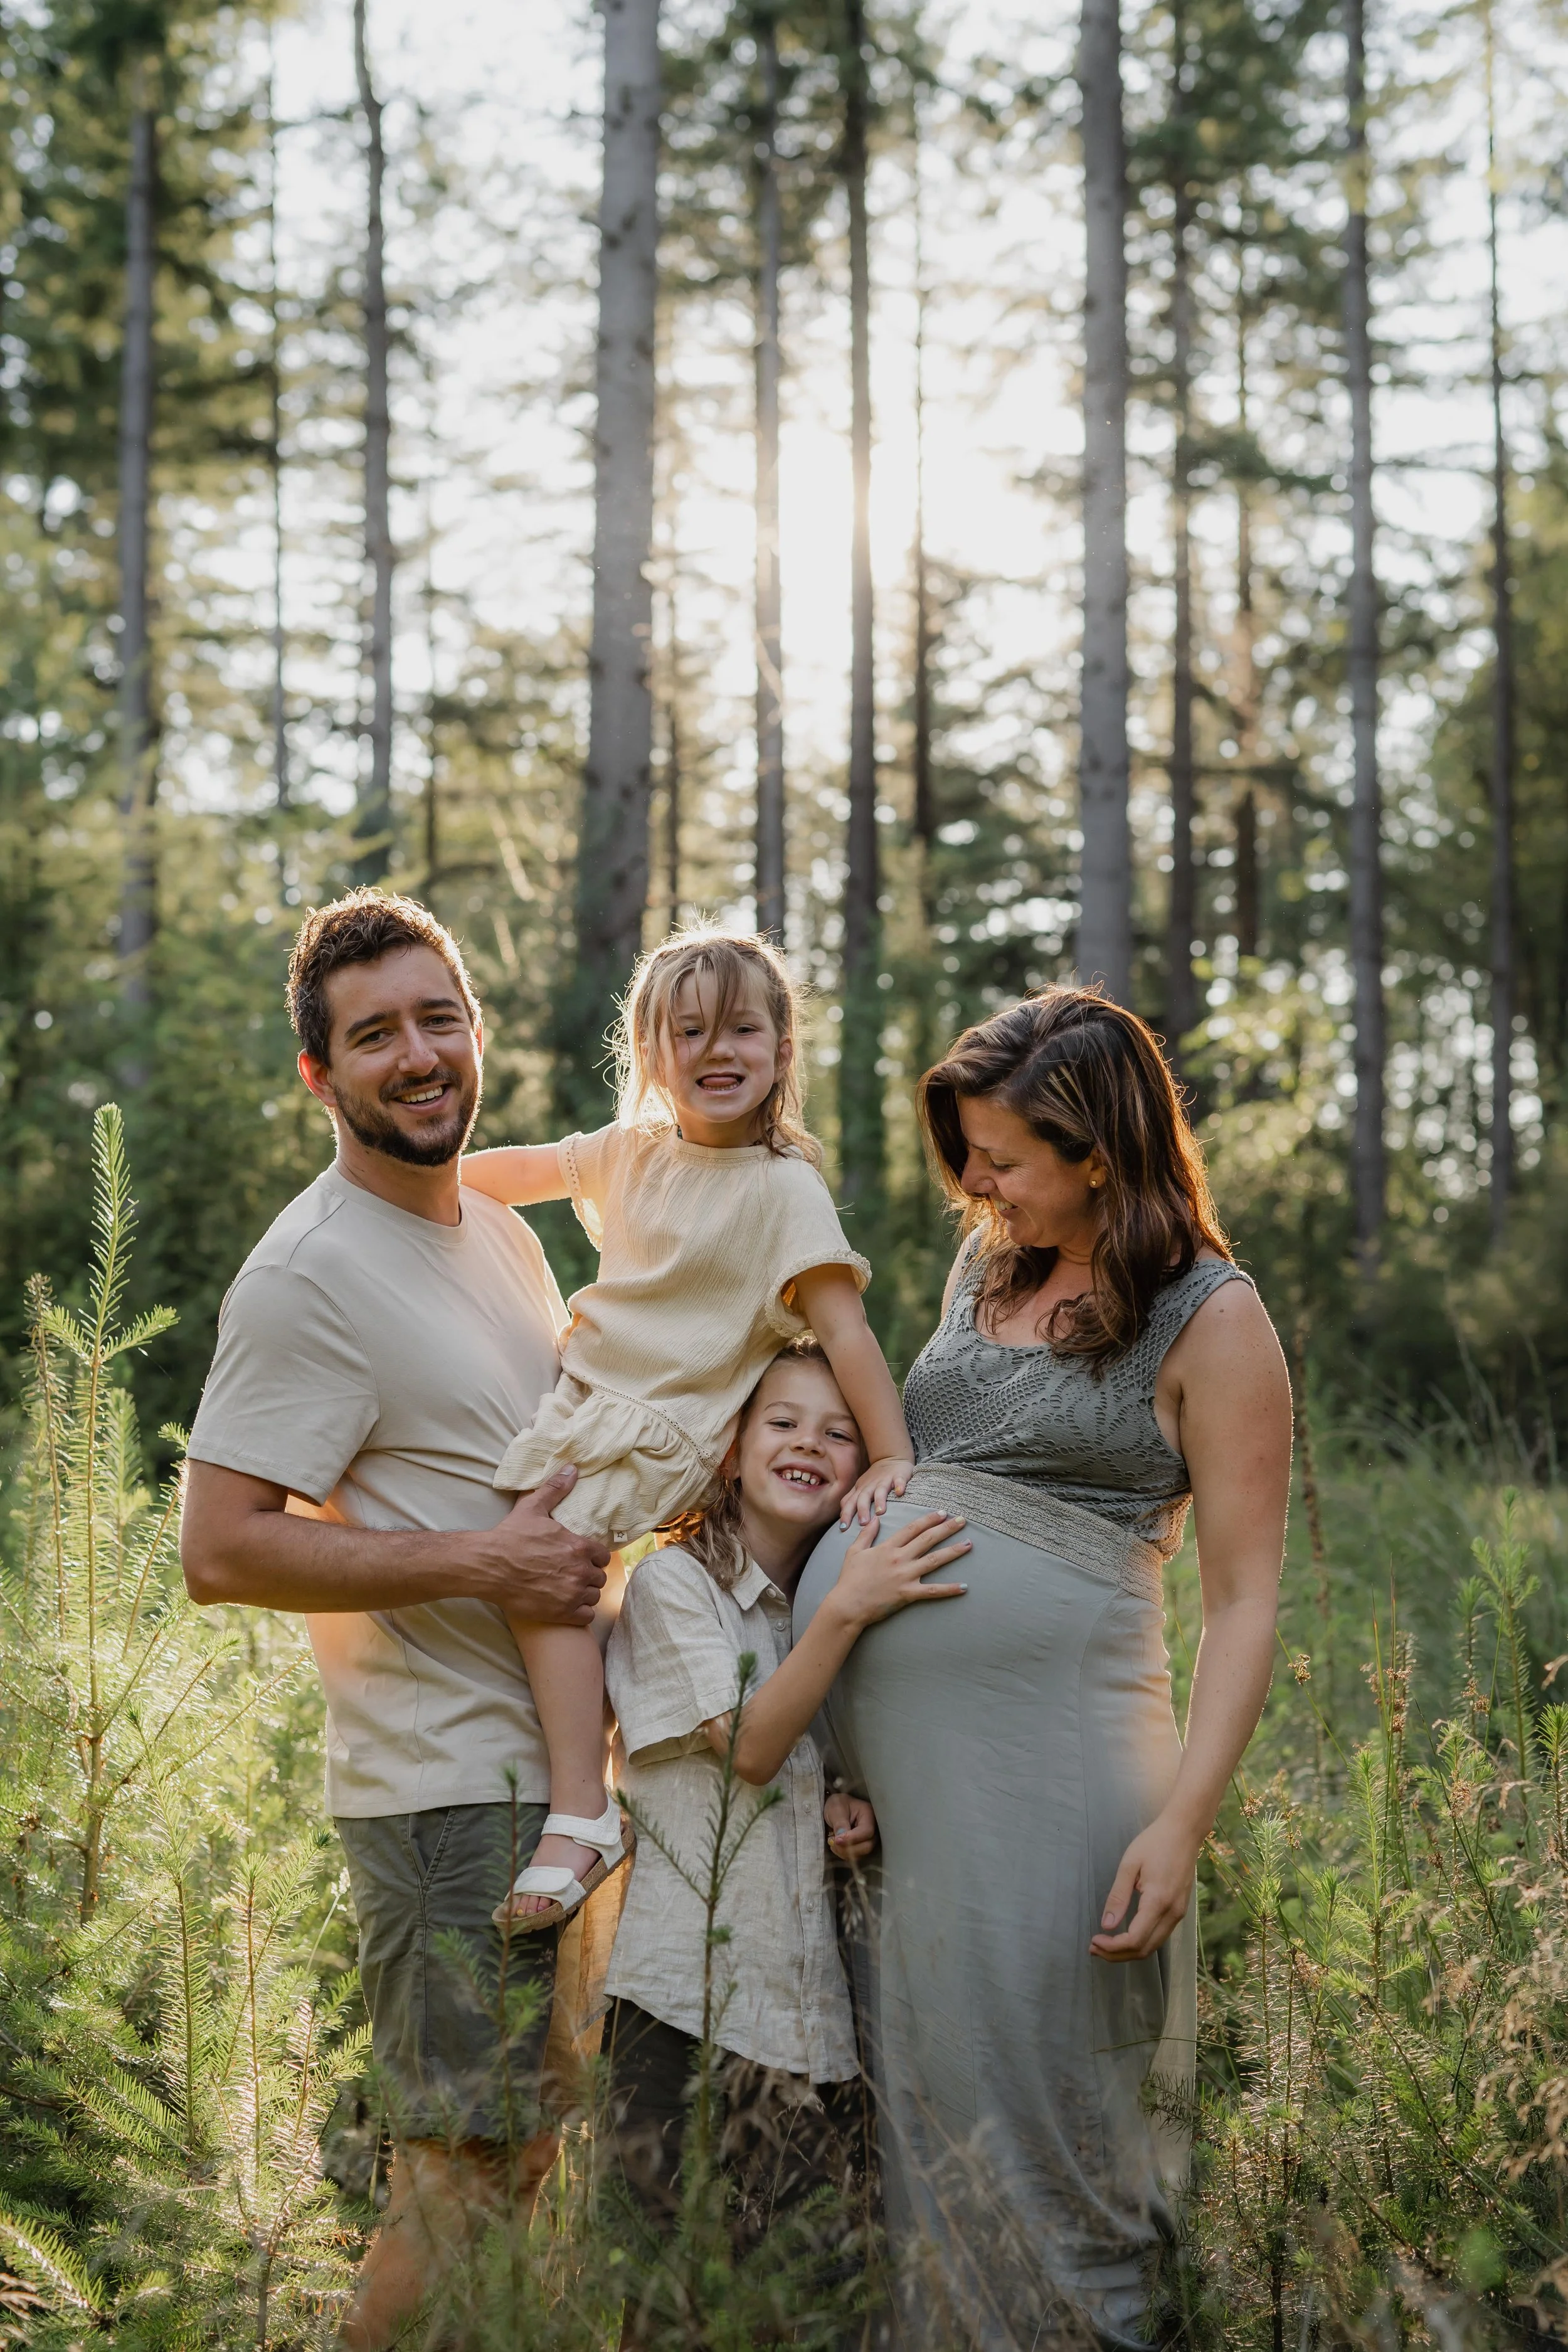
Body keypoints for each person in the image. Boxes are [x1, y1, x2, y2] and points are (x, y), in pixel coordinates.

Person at [794, 986, 1292, 2351]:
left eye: (1000, 1158)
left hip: (1055, 1778)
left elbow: (1244, 1600)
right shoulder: (985, 1268)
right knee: (927, 2124)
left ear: (1098, 1150)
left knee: (1051, 2124)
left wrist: (1182, 1820)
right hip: (903, 1808)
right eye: (963, 1152)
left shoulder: (1212, 1318)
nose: (973, 1184)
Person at [178, 891, 611, 2351]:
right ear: (320, 1075)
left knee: (523, 2160)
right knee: (459, 2178)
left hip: (546, 1787)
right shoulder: (309, 1274)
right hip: (444, 1796)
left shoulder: (494, 1231)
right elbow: (221, 1546)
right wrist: (486, 1565)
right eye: (374, 1037)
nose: (418, 1057)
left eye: (439, 1019)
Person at [458, 928, 916, 1935]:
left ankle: (584, 1809)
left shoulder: (782, 1188)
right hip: (584, 1406)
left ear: (782, 1049)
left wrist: (890, 1454)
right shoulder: (628, 1154)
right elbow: (486, 1176)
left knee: (548, 1571)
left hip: (666, 1427)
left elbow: (846, 1330)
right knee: (557, 1588)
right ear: (650, 1053)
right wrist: (402, 1186)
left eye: (743, 1028)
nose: (718, 1049)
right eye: (690, 1030)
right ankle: (604, 1769)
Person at [598, 1338, 968, 2279]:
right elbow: (753, 1747)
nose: (811, 1442)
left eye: (843, 1433)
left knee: (805, 2306)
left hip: (810, 2027)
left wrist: (846, 1809)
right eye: (784, 1421)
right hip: (683, 2014)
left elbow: (800, 1772)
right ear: (730, 1448)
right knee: (674, 2308)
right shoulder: (673, 1584)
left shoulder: (812, 1609)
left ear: (865, 1468)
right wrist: (850, 1607)